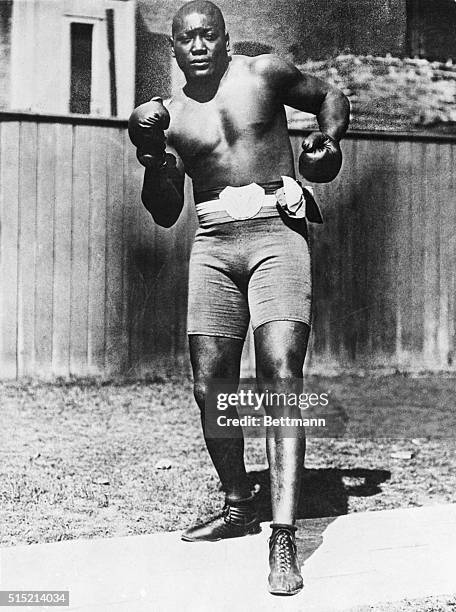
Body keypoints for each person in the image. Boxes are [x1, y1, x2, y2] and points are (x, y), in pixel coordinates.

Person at [129, 0, 349, 596]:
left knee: (281, 377)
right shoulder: (167, 117)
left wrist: (327, 141)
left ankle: (283, 534)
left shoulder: (263, 75)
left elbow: (331, 97)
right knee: (210, 384)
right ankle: (237, 503)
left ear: (226, 42)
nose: (197, 45)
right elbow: (165, 209)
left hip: (277, 234)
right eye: (185, 39)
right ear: (173, 51)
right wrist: (151, 156)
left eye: (208, 35)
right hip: (213, 243)